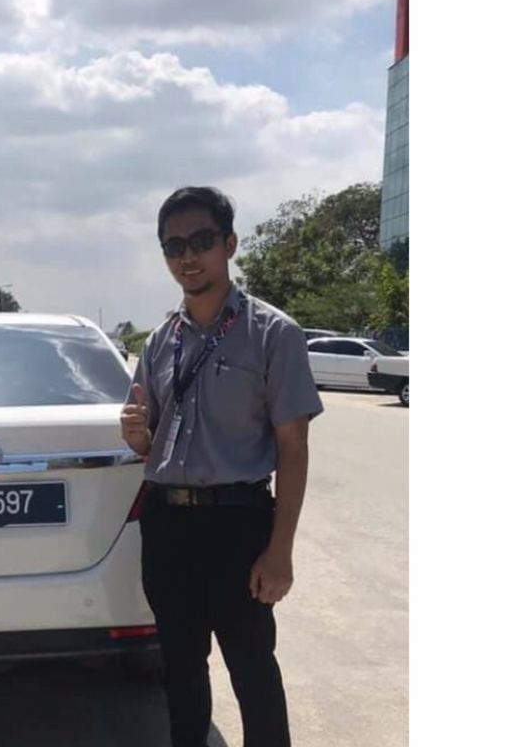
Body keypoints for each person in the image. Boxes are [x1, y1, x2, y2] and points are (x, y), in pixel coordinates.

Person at [120, 186, 322, 747]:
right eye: (174, 246)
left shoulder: (272, 333)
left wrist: (280, 551)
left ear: (229, 244)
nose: (188, 256)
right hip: (167, 525)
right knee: (180, 671)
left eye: (202, 240)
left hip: (238, 524)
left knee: (252, 669)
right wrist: (138, 438)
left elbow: (293, 447)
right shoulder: (160, 342)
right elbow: (152, 441)